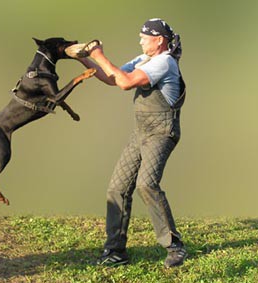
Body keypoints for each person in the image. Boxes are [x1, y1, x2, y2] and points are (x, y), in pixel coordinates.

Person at [77, 18, 187, 268]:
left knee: (146, 184)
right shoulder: (144, 59)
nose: (139, 40)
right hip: (141, 133)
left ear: (159, 40)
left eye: (144, 37)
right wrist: (83, 57)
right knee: (117, 187)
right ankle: (115, 251)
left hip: (162, 132)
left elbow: (125, 83)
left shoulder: (164, 62)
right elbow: (110, 77)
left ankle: (174, 247)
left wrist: (99, 54)